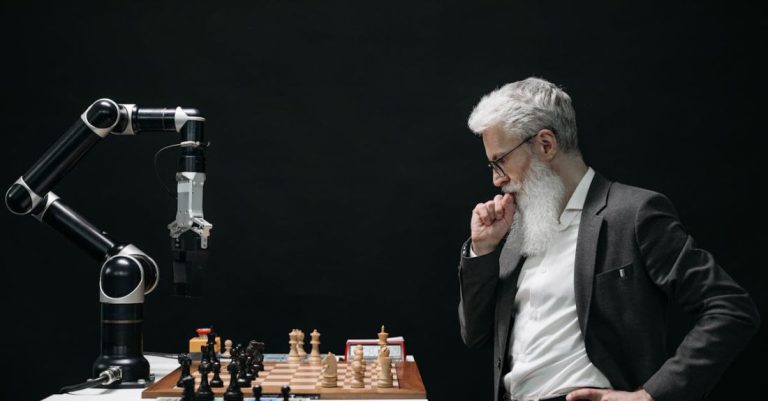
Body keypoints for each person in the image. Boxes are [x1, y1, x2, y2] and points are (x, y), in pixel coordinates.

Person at [457, 77, 760, 401]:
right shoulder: (517, 232)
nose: (496, 179)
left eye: (500, 161)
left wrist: (651, 396)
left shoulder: (633, 214)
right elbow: (476, 335)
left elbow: (731, 308)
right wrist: (483, 249)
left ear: (546, 144)